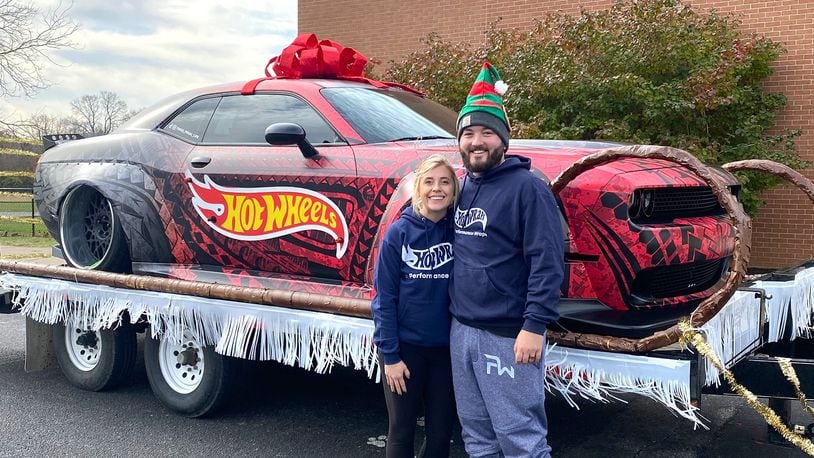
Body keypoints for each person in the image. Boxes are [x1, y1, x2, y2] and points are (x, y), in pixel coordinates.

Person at [449, 62, 565, 457]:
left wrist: (534, 325)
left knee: (520, 438)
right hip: (461, 329)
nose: (476, 141)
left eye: (486, 133)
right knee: (478, 437)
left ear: (503, 141)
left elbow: (547, 261)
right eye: (468, 133)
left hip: (508, 334)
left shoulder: (529, 189)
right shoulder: (461, 187)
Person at [372, 154, 460, 458]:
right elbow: (384, 299)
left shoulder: (460, 234)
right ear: (418, 188)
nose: (437, 189)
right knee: (401, 430)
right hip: (405, 351)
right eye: (429, 181)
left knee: (441, 433)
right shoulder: (399, 233)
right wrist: (391, 356)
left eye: (445, 182)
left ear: (454, 190)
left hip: (446, 353)